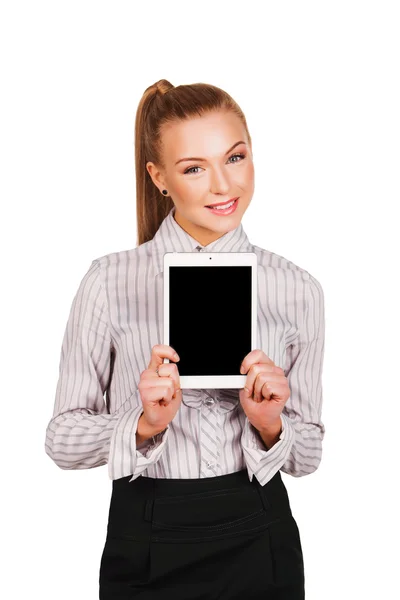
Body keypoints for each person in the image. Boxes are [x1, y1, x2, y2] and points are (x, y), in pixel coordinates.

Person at [44, 79, 326, 599]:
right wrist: (144, 424)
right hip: (147, 535)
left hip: (259, 532)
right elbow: (61, 439)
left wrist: (269, 423)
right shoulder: (109, 280)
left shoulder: (297, 288)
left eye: (235, 157)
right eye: (194, 167)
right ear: (159, 177)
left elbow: (308, 455)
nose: (223, 185)